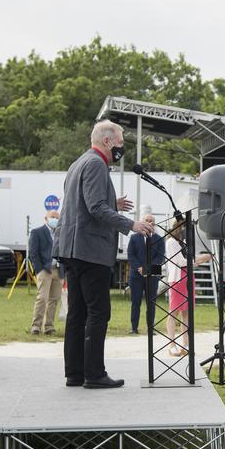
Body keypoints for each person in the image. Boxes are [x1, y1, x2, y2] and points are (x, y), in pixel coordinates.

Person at [57, 121, 154, 389]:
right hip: (91, 250)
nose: (123, 146)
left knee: (77, 312)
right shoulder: (97, 164)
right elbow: (96, 208)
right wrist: (131, 224)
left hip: (73, 250)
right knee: (98, 312)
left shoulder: (78, 163)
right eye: (121, 141)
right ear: (108, 141)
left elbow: (82, 205)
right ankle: (95, 374)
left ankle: (75, 373)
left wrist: (114, 204)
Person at [165, 214, 212, 357]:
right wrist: (198, 260)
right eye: (186, 227)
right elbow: (180, 261)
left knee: (187, 313)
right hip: (177, 279)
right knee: (174, 312)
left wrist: (199, 259)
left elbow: (187, 259)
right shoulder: (171, 242)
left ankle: (185, 344)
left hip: (188, 277)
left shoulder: (183, 242)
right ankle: (172, 344)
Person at [126, 213, 164, 334]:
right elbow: (131, 255)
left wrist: (147, 269)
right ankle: (134, 328)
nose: (149, 222)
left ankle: (151, 328)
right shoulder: (134, 238)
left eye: (152, 220)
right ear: (142, 222)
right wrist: (139, 268)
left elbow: (160, 257)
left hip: (152, 276)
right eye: (147, 220)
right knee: (135, 302)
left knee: (151, 303)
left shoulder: (159, 239)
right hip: (136, 276)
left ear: (154, 223)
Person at [27, 209, 62, 335]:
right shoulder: (37, 232)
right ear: (46, 218)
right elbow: (33, 253)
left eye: (57, 217)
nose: (55, 219)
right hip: (45, 270)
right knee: (42, 297)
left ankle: (49, 327)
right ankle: (36, 326)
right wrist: (39, 269)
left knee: (54, 299)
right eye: (52, 217)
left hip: (58, 270)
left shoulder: (61, 233)